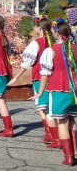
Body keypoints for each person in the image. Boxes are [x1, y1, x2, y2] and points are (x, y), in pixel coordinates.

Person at [34, 19, 77, 165]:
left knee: (62, 122)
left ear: (57, 33)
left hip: (58, 89)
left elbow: (45, 74)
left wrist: (40, 92)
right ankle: (75, 151)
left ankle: (68, 156)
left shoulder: (50, 51)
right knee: (72, 119)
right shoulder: (75, 48)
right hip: (74, 91)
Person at [8, 16, 57, 145]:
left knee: (42, 106)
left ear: (39, 28)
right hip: (55, 77)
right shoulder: (54, 42)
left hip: (40, 76)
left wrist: (16, 77)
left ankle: (50, 134)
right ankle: (56, 133)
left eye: (35, 26)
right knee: (52, 105)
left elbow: (27, 63)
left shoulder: (36, 43)